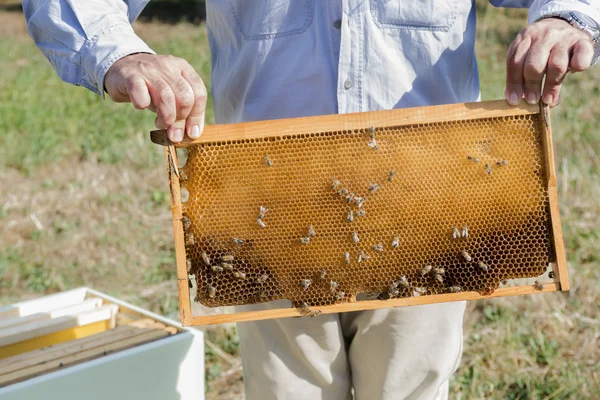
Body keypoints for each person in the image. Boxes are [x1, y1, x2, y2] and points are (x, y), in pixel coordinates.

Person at [23, 1, 599, 399]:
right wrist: (121, 54)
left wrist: (564, 18)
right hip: (272, 206)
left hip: (431, 202)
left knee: (411, 381)